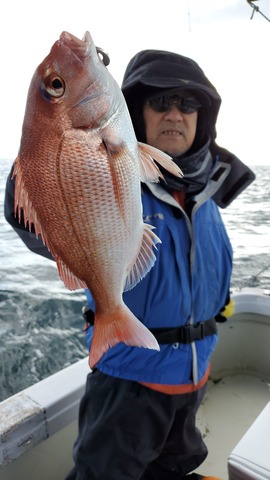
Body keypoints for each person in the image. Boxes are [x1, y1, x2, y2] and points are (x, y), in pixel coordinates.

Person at [4, 49, 255, 480]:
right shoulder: (118, 173)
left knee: (175, 467)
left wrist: (221, 300)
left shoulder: (207, 193)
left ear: (203, 117)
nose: (175, 113)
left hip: (194, 375)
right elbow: (37, 222)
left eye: (188, 104)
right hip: (127, 382)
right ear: (135, 108)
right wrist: (42, 159)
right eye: (160, 102)